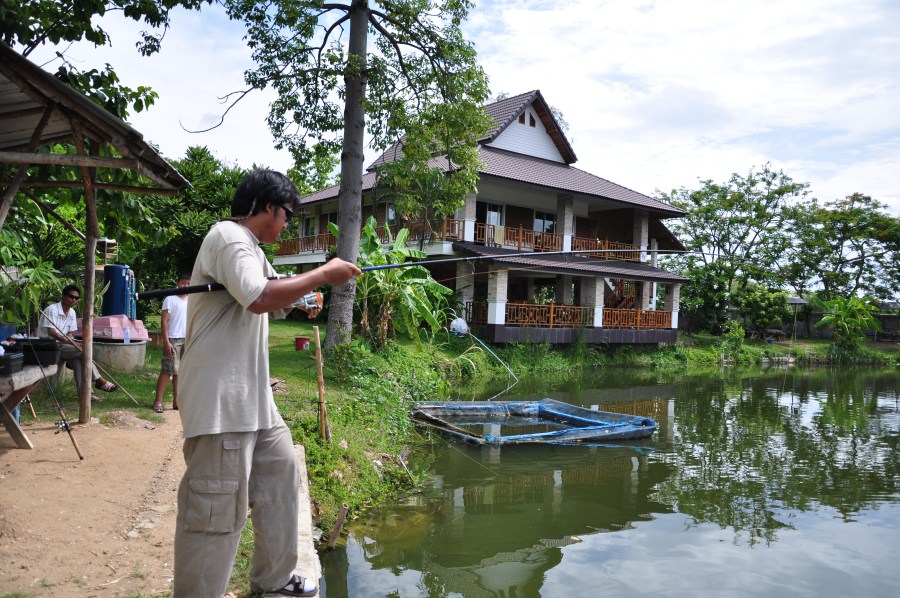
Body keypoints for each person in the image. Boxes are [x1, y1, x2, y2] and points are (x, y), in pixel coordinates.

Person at [173, 169, 361, 597]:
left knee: (281, 473)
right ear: (268, 208)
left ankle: (274, 581)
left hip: (255, 403)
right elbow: (258, 298)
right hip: (223, 404)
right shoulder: (229, 236)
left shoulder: (252, 249)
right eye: (287, 215)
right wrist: (320, 276)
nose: (287, 224)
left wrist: (303, 298)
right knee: (215, 513)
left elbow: (273, 294)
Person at [38, 284, 118, 402]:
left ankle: (85, 395)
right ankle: (99, 380)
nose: (74, 300)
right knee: (84, 352)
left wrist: (70, 341)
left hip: (62, 346)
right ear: (63, 296)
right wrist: (70, 342)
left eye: (76, 298)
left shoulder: (72, 313)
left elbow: (70, 333)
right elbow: (52, 333)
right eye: (71, 296)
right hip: (48, 346)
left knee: (78, 361)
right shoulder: (52, 310)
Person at [152, 274, 190, 413]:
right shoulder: (170, 299)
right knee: (167, 371)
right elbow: (164, 321)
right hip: (173, 339)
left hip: (187, 339)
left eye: (189, 283)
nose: (186, 286)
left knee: (180, 372)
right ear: (178, 283)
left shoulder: (192, 300)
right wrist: (166, 341)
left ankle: (176, 401)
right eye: (183, 283)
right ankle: (158, 401)